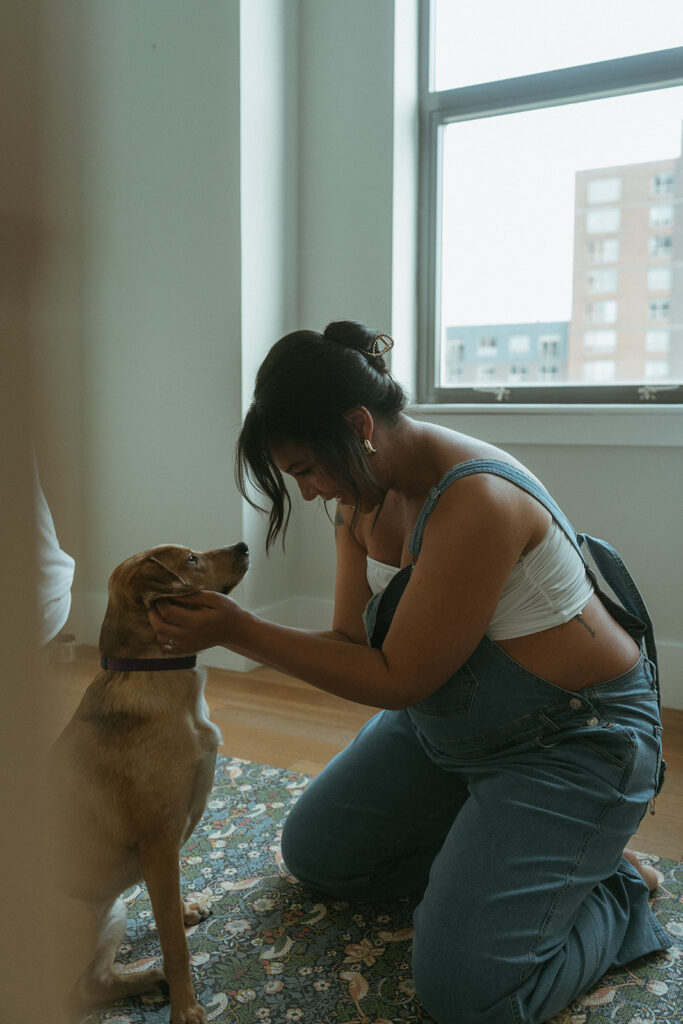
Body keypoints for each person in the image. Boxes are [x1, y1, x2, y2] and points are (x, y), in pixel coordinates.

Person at [149, 322, 669, 1024]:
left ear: (358, 425)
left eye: (306, 469)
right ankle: (518, 857)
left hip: (571, 743)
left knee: (470, 994)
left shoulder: (473, 500)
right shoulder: (360, 499)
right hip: (449, 731)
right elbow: (344, 641)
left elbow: (398, 679)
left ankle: (607, 891)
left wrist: (237, 629)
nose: (307, 492)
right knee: (321, 857)